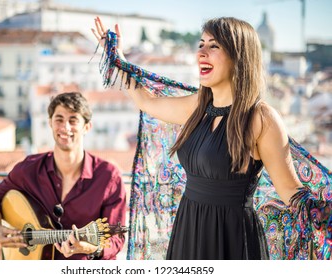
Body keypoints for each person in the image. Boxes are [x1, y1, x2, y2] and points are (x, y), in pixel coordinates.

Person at [91, 17, 331, 260]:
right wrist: (116, 57)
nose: (201, 53)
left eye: (214, 46)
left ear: (239, 55)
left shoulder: (260, 118)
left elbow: (290, 190)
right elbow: (147, 102)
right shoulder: (198, 105)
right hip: (188, 229)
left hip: (232, 239)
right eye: (201, 45)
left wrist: (323, 214)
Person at [0, 92, 127, 260]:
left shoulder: (109, 176)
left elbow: (116, 238)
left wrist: (92, 249)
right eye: (59, 119)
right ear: (50, 123)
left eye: (73, 120)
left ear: (87, 127)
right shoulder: (28, 169)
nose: (65, 127)